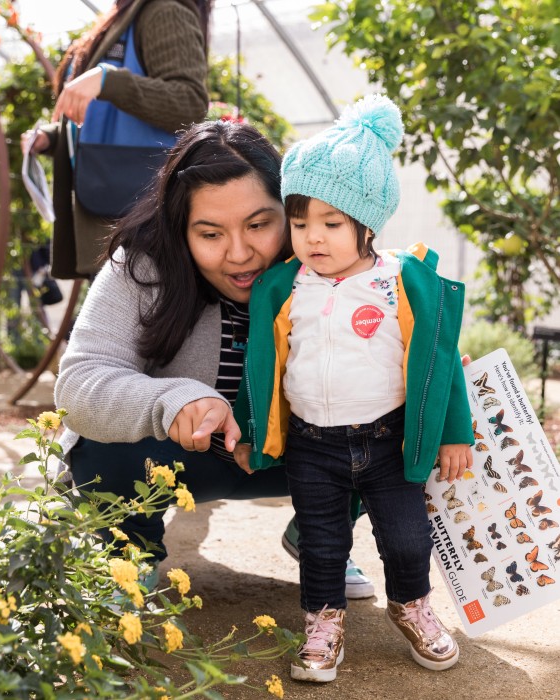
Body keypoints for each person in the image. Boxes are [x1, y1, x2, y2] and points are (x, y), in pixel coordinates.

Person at [54, 120, 374, 596]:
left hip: (295, 458)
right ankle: (129, 551)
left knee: (409, 420)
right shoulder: (142, 267)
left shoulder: (333, 262)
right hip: (175, 460)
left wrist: (427, 377)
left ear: (289, 212)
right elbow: (79, 384)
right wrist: (178, 400)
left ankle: (321, 536)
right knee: (98, 444)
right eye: (210, 234)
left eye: (260, 225)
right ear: (179, 229)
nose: (240, 254)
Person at [236, 95, 474, 682]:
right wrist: (250, 431)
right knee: (322, 543)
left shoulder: (401, 281)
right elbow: (260, 367)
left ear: (368, 223)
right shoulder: (287, 287)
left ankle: (411, 604)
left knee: (406, 537)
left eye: (331, 223)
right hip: (314, 445)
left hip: (389, 441)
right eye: (299, 223)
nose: (312, 237)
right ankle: (323, 624)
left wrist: (453, 433)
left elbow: (442, 361)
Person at [24, 0, 211, 280]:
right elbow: (104, 118)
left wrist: (108, 80)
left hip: (140, 225)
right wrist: (51, 139)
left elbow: (189, 102)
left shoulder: (164, 10)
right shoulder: (127, 14)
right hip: (115, 220)